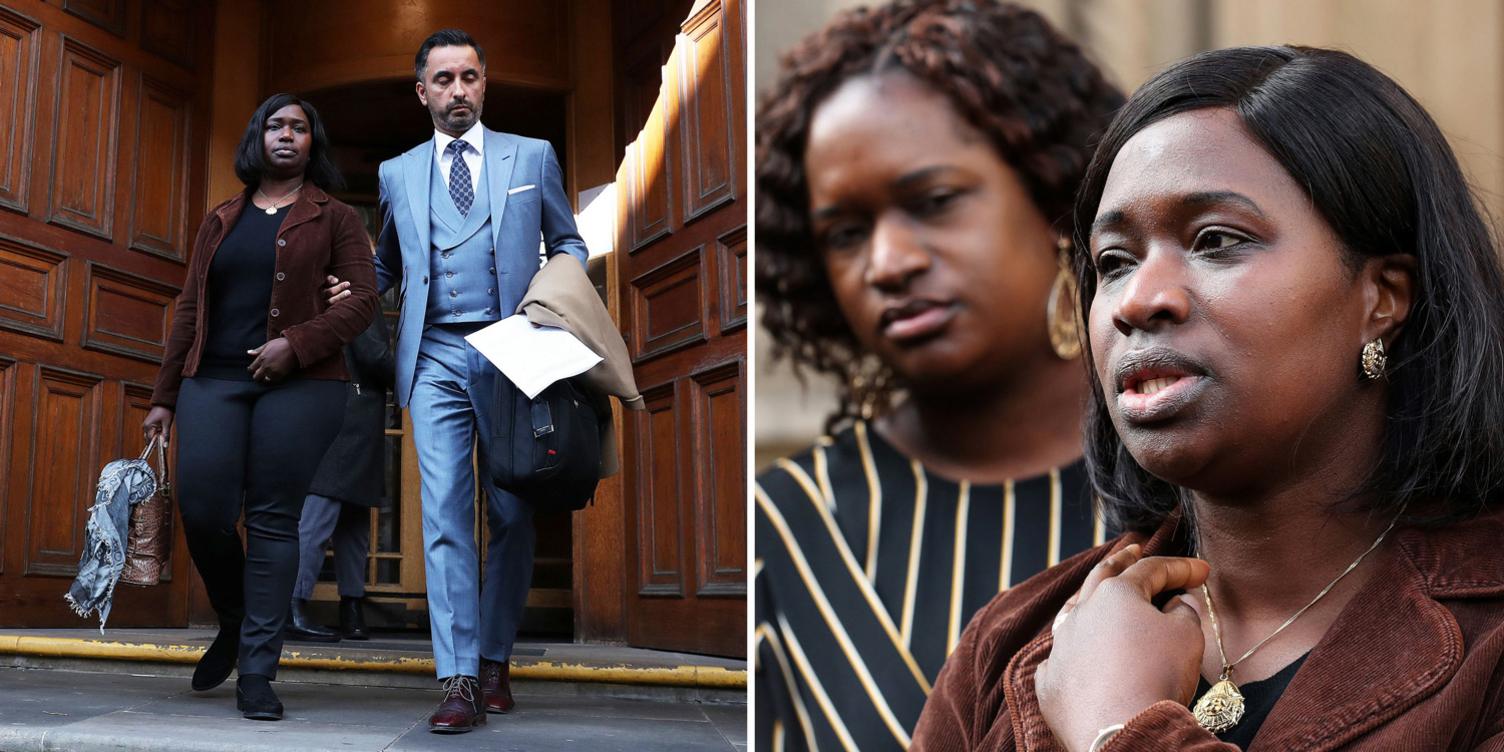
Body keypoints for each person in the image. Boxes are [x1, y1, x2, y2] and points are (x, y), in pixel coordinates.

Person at [911, 45, 1504, 751]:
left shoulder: (1486, 647)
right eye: (1114, 261)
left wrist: (1119, 727)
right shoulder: (1013, 643)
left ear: (1383, 297)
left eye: (1217, 240)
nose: (1139, 300)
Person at [752, 1, 1123, 748]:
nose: (888, 263)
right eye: (846, 234)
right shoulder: (780, 529)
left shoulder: (1209, 491)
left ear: (1057, 198)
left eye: (934, 202)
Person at [326, 28, 588, 733]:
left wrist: (554, 299)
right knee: (442, 509)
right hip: (435, 355)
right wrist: (344, 299)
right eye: (443, 80)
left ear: (483, 83)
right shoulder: (396, 172)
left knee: (511, 512)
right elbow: (385, 265)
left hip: (514, 352)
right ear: (423, 91)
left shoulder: (531, 157)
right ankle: (459, 679)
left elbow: (568, 240)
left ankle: (495, 656)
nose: (458, 91)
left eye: (469, 77)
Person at [142, 93, 379, 721]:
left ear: (312, 143)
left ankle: (257, 670)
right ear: (257, 137)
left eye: (299, 127)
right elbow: (190, 310)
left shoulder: (337, 219)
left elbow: (361, 304)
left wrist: (295, 345)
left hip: (303, 388)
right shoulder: (221, 217)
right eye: (275, 125)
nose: (286, 135)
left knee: (276, 522)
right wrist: (165, 396)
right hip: (213, 382)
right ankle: (234, 615)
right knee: (204, 507)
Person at [286, 313, 395, 643]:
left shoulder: (324, 284)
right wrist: (417, 373)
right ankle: (293, 606)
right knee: (323, 512)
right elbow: (374, 356)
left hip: (338, 406)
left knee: (349, 514)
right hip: (350, 413)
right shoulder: (356, 295)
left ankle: (350, 609)